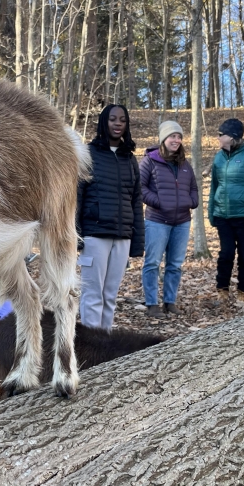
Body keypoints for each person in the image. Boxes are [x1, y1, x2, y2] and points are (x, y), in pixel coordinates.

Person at [77, 104, 145, 331]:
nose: (118, 124)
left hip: (122, 236)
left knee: (110, 296)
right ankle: (90, 346)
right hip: (95, 235)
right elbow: (77, 196)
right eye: (113, 119)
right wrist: (75, 234)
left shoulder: (130, 159)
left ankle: (104, 346)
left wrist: (137, 242)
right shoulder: (88, 154)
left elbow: (136, 201)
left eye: (122, 120)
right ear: (104, 122)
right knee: (92, 295)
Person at [139, 121, 199, 318]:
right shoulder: (149, 161)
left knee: (175, 265)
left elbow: (193, 188)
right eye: (172, 136)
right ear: (164, 138)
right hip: (157, 220)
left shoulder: (184, 164)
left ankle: (169, 302)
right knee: (153, 262)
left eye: (179, 137)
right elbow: (140, 188)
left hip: (182, 221)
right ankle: (152, 304)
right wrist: (158, 201)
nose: (177, 140)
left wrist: (192, 201)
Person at [208, 118, 244, 306]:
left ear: (232, 136)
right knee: (225, 254)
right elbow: (214, 186)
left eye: (220, 134)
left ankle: (243, 294)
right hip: (223, 215)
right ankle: (222, 292)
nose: (217, 138)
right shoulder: (219, 157)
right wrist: (212, 211)